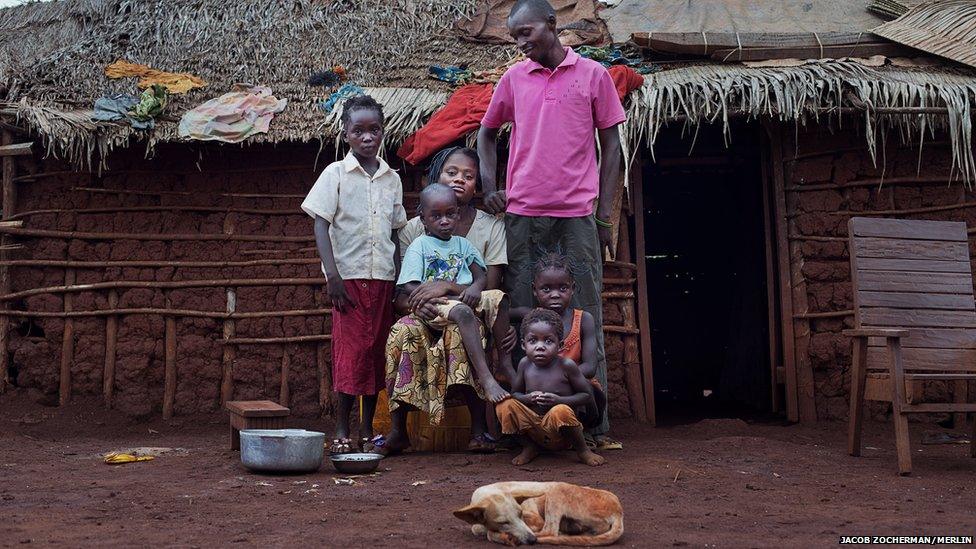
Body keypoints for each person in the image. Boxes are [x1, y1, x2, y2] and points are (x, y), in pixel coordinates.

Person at [477, 0, 625, 443]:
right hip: (522, 213)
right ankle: (529, 427)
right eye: (515, 36)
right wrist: (489, 186)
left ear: (553, 25)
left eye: (527, 33)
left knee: (585, 312)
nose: (521, 43)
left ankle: (590, 424)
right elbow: (486, 132)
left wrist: (602, 215)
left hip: (577, 214)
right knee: (524, 314)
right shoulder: (513, 79)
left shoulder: (593, 75)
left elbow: (612, 147)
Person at [301, 94, 407, 455]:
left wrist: (398, 278)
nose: (367, 137)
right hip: (347, 280)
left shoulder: (392, 179)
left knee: (376, 351)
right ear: (345, 134)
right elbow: (320, 224)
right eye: (358, 130)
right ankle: (343, 427)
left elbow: (395, 231)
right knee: (350, 353)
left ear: (382, 132)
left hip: (381, 278)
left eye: (374, 130)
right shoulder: (335, 174)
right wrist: (331, 275)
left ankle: (366, 429)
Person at [377, 178, 514, 455]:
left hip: (461, 299)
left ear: (458, 213)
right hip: (439, 306)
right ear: (423, 218)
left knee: (499, 298)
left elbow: (482, 276)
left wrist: (472, 288)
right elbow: (411, 288)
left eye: (450, 214)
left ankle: (505, 365)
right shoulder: (420, 246)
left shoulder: (463, 245)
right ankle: (487, 379)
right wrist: (429, 300)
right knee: (411, 330)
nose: (444, 221)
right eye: (436, 216)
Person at [495, 308, 605, 466]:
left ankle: (583, 450)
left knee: (561, 410)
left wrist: (559, 400)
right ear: (523, 345)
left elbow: (586, 395)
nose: (540, 346)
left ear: (560, 345)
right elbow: (516, 393)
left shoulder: (567, 365)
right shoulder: (524, 364)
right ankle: (529, 446)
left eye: (548, 341)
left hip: (561, 432)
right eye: (533, 341)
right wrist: (527, 398)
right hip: (533, 428)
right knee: (505, 406)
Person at [512, 250, 608, 424]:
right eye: (546, 289)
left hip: (574, 384)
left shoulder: (584, 319)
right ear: (535, 290)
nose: (555, 294)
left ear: (573, 288)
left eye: (562, 288)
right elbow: (502, 314)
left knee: (588, 387)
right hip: (539, 386)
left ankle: (585, 429)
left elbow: (590, 366)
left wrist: (558, 378)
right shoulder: (529, 316)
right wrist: (508, 330)